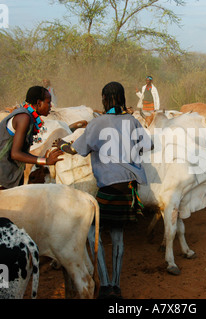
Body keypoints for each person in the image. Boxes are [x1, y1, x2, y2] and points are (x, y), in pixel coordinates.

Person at [55, 81, 153, 299]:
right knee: (118, 235)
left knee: (93, 233)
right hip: (129, 188)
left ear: (105, 99)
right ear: (122, 98)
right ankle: (116, 287)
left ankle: (105, 284)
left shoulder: (96, 124)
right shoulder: (132, 121)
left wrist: (61, 144)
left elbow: (75, 149)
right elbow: (149, 145)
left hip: (108, 187)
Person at [0, 86, 63, 192]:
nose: (50, 106)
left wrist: (42, 158)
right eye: (48, 102)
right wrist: (45, 161)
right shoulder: (24, 118)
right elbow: (16, 154)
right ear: (38, 103)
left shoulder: (25, 115)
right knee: (1, 207)